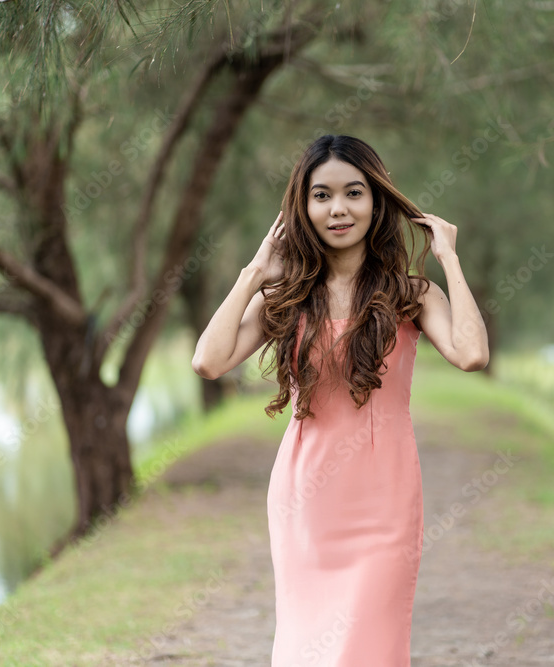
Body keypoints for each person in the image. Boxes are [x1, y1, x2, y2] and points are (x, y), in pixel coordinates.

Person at [191, 134, 489, 666]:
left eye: (353, 192)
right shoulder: (286, 298)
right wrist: (254, 274)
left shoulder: (411, 294)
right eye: (321, 195)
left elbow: (471, 354)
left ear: (376, 201)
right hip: (306, 498)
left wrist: (450, 258)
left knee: (369, 647)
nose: (338, 209)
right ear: (301, 208)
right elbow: (208, 362)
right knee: (309, 649)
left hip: (386, 500)